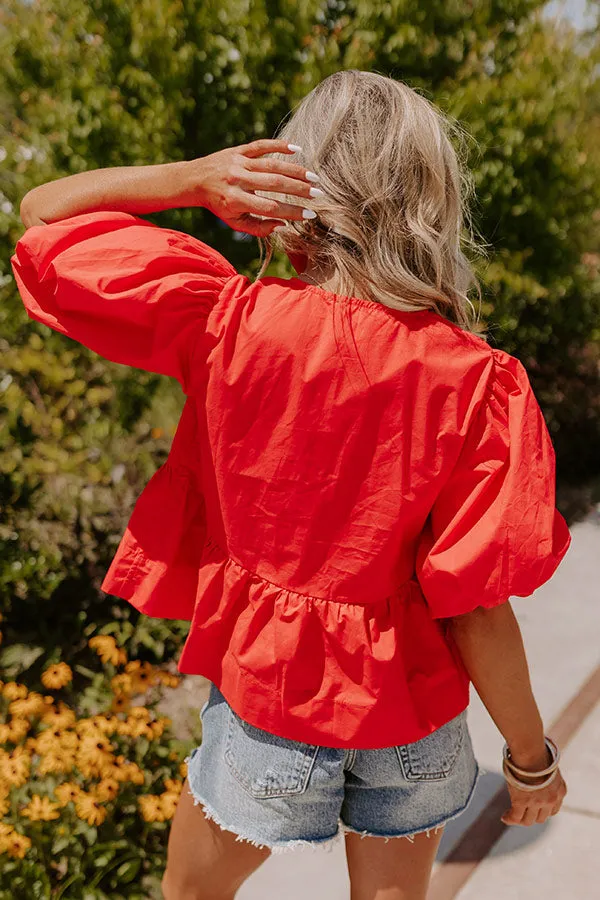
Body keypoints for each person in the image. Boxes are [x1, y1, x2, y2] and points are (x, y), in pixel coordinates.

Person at [12, 70, 571, 900]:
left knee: (191, 895)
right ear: (432, 196)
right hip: (412, 715)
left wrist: (194, 180)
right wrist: (531, 762)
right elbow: (477, 605)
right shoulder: (478, 379)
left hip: (273, 701)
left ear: (297, 187)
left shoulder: (225, 317)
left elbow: (43, 217)